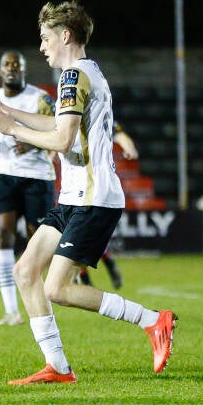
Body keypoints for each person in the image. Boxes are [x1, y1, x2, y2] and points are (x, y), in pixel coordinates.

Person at [0, 0, 177, 384]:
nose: (42, 46)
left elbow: (63, 140)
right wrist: (6, 110)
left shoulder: (73, 77)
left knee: (57, 288)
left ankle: (153, 320)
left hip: (94, 199)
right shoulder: (85, 73)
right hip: (74, 197)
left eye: (46, 38)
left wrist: (9, 127)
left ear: (65, 35)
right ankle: (58, 368)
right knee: (25, 270)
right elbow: (56, 122)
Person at [0, 50, 56, 327]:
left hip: (38, 176)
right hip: (6, 175)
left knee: (38, 241)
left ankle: (42, 299)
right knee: (2, 236)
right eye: (6, 64)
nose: (11, 68)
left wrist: (33, 142)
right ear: (0, 71)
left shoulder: (41, 99)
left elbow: (60, 133)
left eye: (16, 65)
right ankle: (11, 310)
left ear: (24, 70)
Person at [76, 120, 138, 289]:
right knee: (77, 237)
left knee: (80, 236)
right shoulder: (65, 114)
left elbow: (120, 133)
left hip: (94, 186)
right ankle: (104, 266)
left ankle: (86, 282)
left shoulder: (98, 116)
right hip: (69, 185)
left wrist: (129, 148)